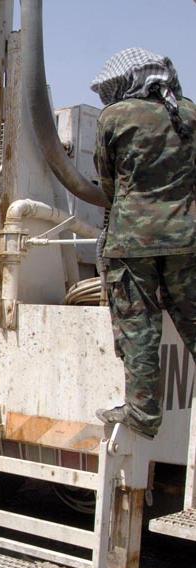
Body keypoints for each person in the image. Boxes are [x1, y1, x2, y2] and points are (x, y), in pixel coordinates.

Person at [91, 49, 196, 439]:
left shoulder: (114, 117)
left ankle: (143, 412)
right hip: (186, 237)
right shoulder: (189, 113)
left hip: (132, 241)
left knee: (139, 325)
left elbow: (107, 180)